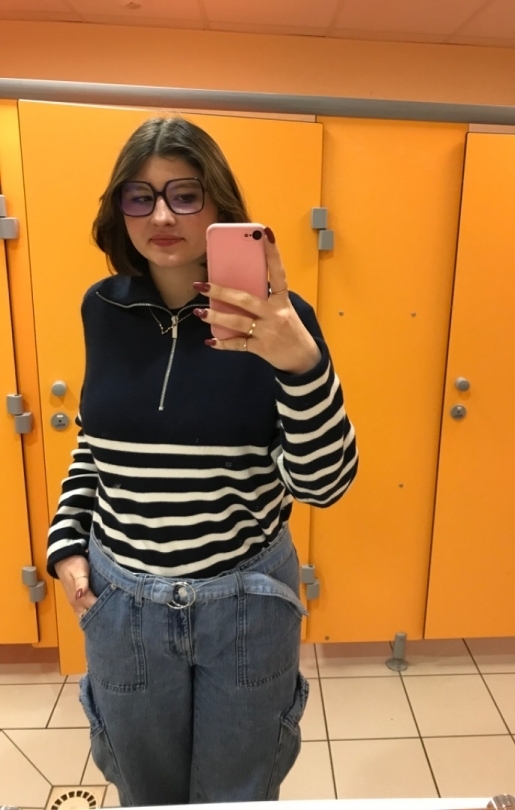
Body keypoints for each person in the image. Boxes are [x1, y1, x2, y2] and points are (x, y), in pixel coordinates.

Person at [46, 116, 358, 806]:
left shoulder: (281, 320)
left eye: (185, 195)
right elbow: (97, 443)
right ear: (119, 210)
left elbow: (325, 484)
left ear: (221, 205)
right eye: (140, 196)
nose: (161, 216)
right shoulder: (102, 309)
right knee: (144, 792)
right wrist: (66, 543)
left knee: (237, 795)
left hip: (244, 602)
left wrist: (301, 364)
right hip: (122, 603)